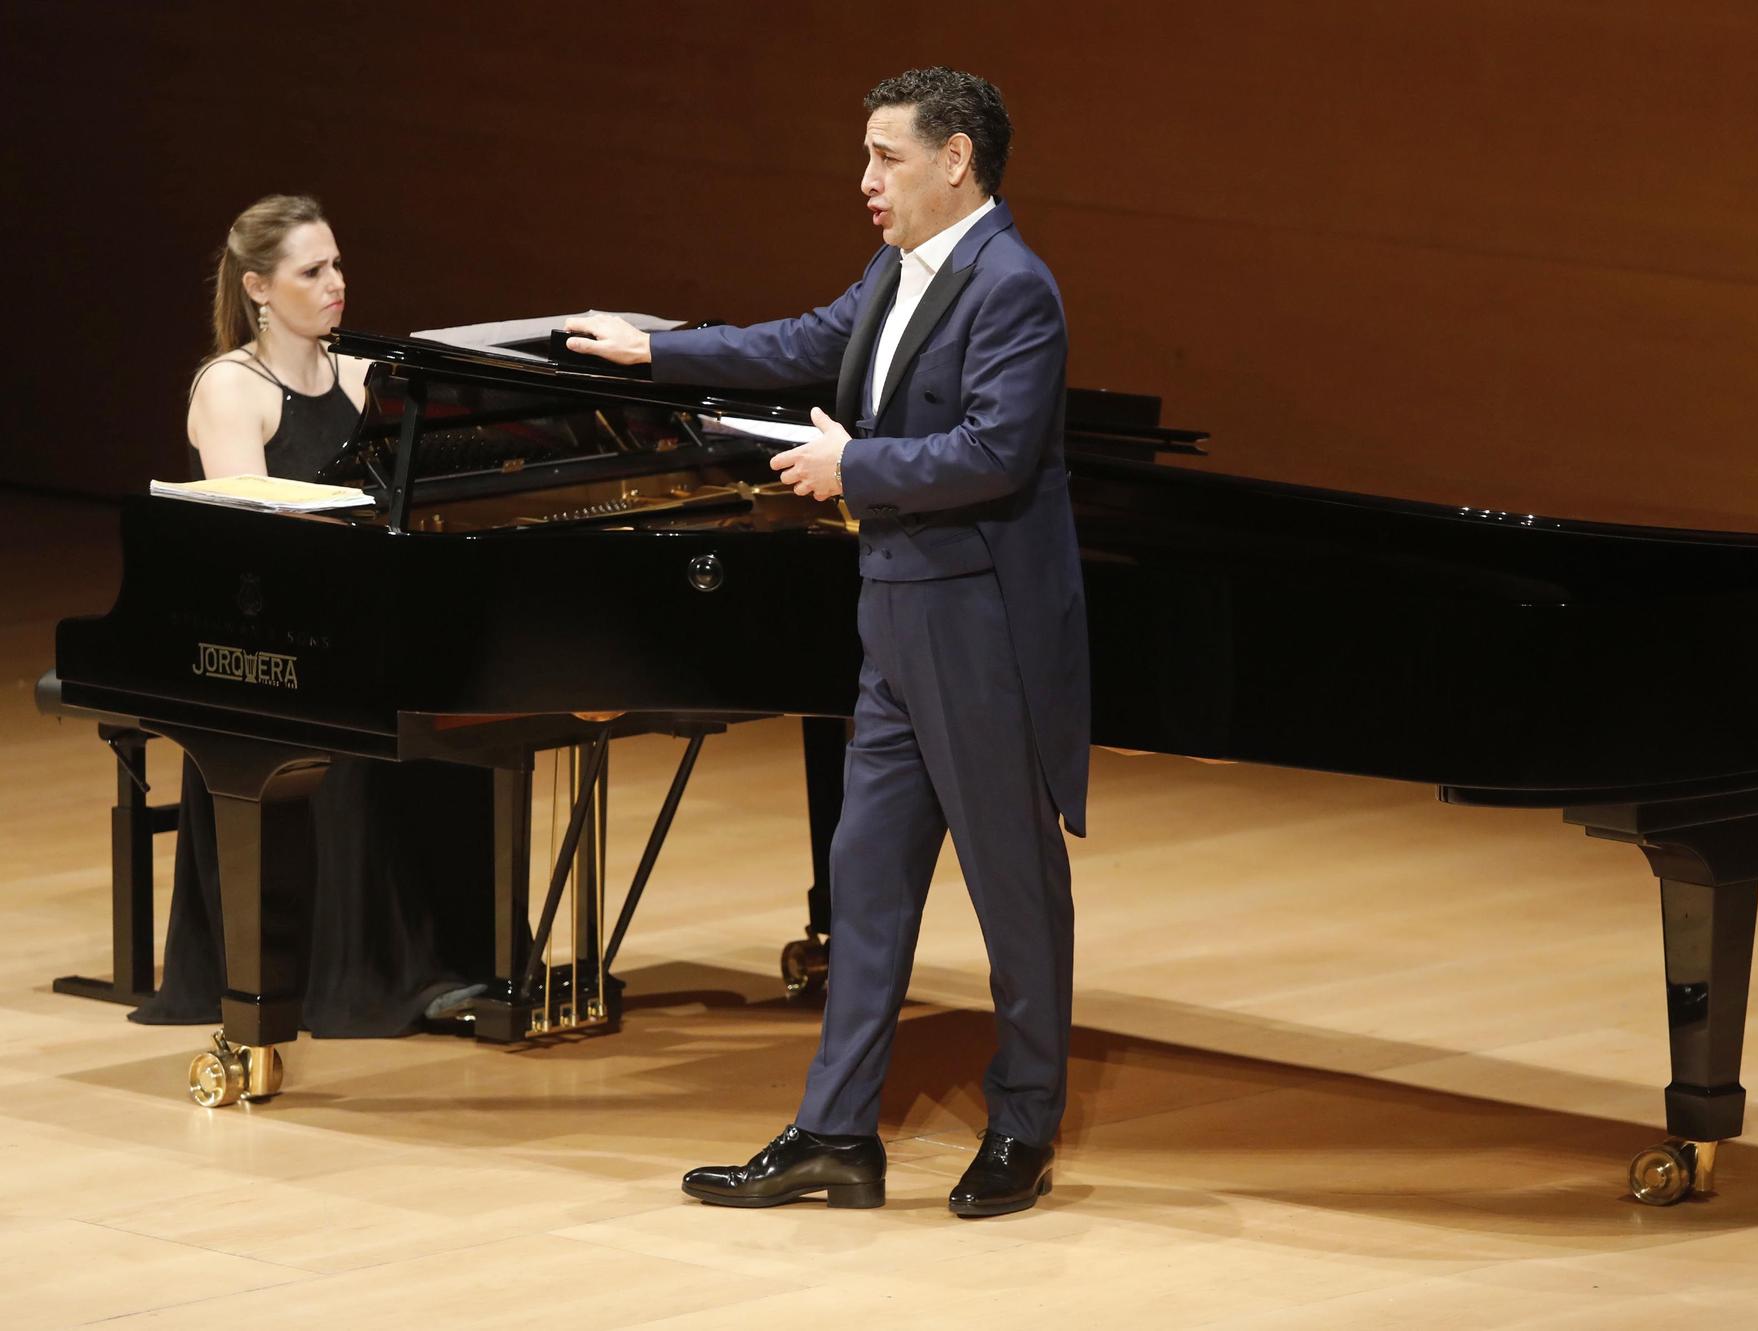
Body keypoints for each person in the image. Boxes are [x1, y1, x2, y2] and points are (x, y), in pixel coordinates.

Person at [567, 67, 1086, 1217]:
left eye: (884, 158)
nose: (864, 181)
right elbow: (801, 341)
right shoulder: (895, 271)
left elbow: (993, 451)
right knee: (865, 878)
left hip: (980, 626)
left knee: (1014, 889)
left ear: (955, 160)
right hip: (894, 614)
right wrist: (656, 353)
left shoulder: (1014, 288)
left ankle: (1024, 1124)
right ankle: (836, 1132)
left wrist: (854, 465)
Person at [134, 194, 493, 1036]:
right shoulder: (230, 386)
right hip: (265, 646)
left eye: (337, 265)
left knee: (467, 721)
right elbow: (252, 543)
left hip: (350, 627)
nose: (337, 284)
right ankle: (370, 976)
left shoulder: (361, 375)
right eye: (313, 270)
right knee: (363, 731)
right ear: (259, 287)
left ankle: (467, 960)